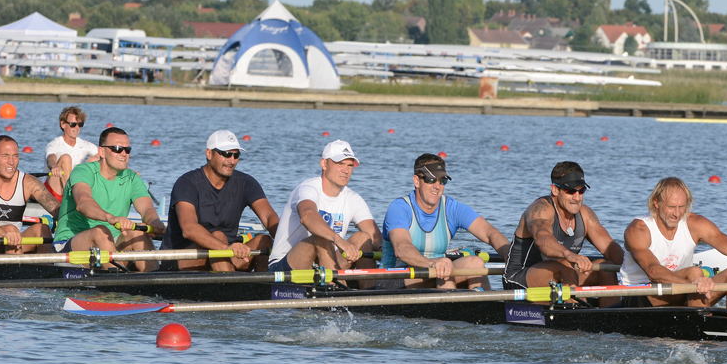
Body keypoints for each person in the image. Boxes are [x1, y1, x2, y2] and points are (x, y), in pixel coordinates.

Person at [618, 176, 727, 311]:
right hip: (640, 298)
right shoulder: (639, 229)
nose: (677, 214)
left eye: (682, 207)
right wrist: (694, 283)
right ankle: (699, 329)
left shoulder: (695, 223)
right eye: (671, 207)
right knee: (694, 272)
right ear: (656, 203)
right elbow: (653, 271)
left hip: (683, 290)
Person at [380, 154, 510, 289]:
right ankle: (452, 306)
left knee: (475, 263)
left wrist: (512, 257)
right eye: (431, 179)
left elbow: (490, 233)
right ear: (417, 181)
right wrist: (432, 263)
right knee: (444, 274)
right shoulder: (399, 208)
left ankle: (482, 307)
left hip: (438, 271)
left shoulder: (451, 208)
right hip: (396, 278)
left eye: (442, 180)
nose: (437, 186)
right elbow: (402, 248)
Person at [160, 130, 279, 271]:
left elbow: (269, 217)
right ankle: (230, 286)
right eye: (226, 154)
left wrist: (286, 240)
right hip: (182, 258)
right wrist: (226, 248)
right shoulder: (187, 183)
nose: (232, 160)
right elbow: (189, 229)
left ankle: (267, 288)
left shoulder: (246, 183)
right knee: (218, 235)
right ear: (209, 154)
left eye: (236, 155)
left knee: (263, 241)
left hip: (226, 254)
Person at [52, 127, 165, 271]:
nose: (124, 153)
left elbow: (147, 209)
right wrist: (110, 218)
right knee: (100, 231)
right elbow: (83, 202)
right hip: (69, 243)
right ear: (102, 152)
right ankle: (116, 286)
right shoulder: (83, 172)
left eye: (127, 149)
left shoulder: (132, 178)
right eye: (117, 148)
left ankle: (154, 281)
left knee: (137, 233)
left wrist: (155, 222)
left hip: (111, 244)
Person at [503, 161, 623, 291]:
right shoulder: (540, 209)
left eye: (581, 191)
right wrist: (569, 255)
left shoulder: (586, 214)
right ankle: (574, 306)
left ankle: (613, 310)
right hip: (519, 278)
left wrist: (638, 266)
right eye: (570, 191)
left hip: (564, 275)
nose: (577, 198)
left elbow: (611, 249)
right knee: (564, 265)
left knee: (604, 266)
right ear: (555, 189)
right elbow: (543, 239)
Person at [267, 140, 380, 273]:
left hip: (327, 261)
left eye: (350, 165)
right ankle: (335, 289)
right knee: (322, 237)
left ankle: (369, 289)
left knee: (363, 237)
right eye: (340, 163)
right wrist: (339, 241)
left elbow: (376, 239)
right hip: (285, 265)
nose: (346, 170)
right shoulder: (307, 188)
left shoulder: (353, 198)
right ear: (324, 164)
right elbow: (307, 216)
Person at [0, 135, 60, 254]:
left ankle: (47, 270)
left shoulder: (28, 182)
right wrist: (5, 233)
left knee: (42, 229)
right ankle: (18, 269)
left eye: (15, 156)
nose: (11, 162)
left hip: (13, 244)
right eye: (5, 156)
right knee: (11, 229)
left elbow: (58, 209)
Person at [45, 106, 99, 201]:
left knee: (96, 159)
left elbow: (107, 157)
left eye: (80, 124)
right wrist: (54, 166)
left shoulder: (86, 145)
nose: (77, 128)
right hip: (54, 190)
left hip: (76, 186)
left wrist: (128, 172)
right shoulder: (54, 144)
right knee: (66, 158)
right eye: (73, 124)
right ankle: (71, 198)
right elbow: (50, 157)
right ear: (63, 124)